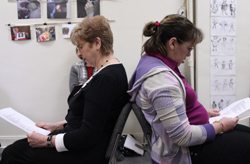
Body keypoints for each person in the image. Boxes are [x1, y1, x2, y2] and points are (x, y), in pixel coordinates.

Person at [1, 15, 129, 164]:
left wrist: (47, 141)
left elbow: (88, 134)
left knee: (13, 153)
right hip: (83, 143)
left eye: (80, 46)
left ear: (97, 43)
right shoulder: (111, 70)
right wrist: (57, 126)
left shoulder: (105, 79)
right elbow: (93, 117)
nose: (79, 53)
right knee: (18, 147)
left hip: (86, 152)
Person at [128, 14, 250, 164]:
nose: (189, 54)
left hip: (194, 135)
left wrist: (203, 114)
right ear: (172, 43)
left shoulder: (151, 60)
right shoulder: (161, 82)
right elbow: (183, 136)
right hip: (187, 151)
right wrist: (221, 126)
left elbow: (170, 110)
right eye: (189, 48)